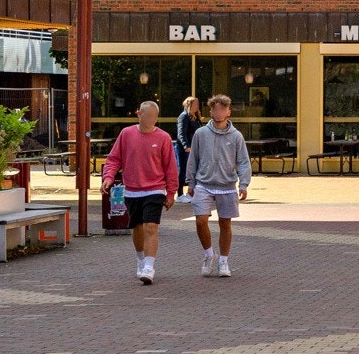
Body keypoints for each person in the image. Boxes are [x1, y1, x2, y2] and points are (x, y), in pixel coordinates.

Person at [100, 101, 178, 285]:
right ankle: (140, 258)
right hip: (133, 190)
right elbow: (113, 159)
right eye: (148, 115)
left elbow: (171, 168)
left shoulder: (164, 138)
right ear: (139, 114)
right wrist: (108, 177)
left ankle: (149, 267)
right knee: (137, 227)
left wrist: (171, 192)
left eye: (154, 116)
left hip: (155, 189)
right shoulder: (126, 134)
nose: (151, 119)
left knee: (151, 226)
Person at [185, 95, 251, 278]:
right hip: (203, 183)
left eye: (223, 109)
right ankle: (208, 254)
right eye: (215, 109)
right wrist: (190, 182)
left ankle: (223, 260)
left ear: (228, 112)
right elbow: (193, 159)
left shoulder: (236, 136)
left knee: (225, 223)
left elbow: (243, 162)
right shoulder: (201, 134)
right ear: (211, 111)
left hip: (227, 184)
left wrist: (243, 184)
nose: (219, 112)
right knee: (200, 220)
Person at [175, 96, 202, 197]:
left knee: (194, 169)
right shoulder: (184, 116)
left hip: (195, 147)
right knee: (184, 170)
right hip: (185, 148)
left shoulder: (195, 116)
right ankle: (180, 194)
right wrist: (186, 146)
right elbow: (181, 132)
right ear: (189, 105)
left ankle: (192, 192)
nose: (197, 106)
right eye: (195, 104)